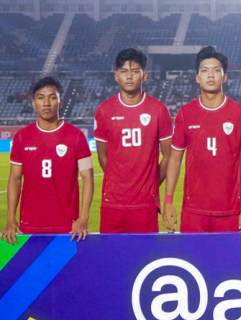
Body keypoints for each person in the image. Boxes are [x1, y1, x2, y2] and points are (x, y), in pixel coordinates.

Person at [163, 46, 241, 233]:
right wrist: (168, 201)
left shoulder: (240, 114)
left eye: (216, 70)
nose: (211, 75)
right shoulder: (185, 114)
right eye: (205, 71)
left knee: (229, 263)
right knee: (193, 261)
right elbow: (174, 159)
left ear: (224, 77)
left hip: (230, 212)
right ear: (197, 77)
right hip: (193, 212)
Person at [2, 77, 94, 243]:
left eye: (52, 97)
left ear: (60, 102)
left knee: (67, 269)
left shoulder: (76, 136)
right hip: (29, 225)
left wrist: (83, 218)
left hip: (68, 226)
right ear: (33, 103)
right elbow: (15, 179)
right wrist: (10, 219)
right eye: (40, 97)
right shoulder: (22, 138)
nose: (46, 103)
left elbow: (88, 178)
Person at [93, 48, 172, 233]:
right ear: (116, 76)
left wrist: (152, 183)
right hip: (112, 203)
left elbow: (169, 156)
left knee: (144, 259)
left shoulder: (159, 110)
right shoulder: (104, 110)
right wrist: (118, 183)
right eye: (124, 71)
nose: (129, 76)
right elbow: (102, 155)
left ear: (144, 76)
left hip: (145, 204)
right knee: (111, 258)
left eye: (135, 71)